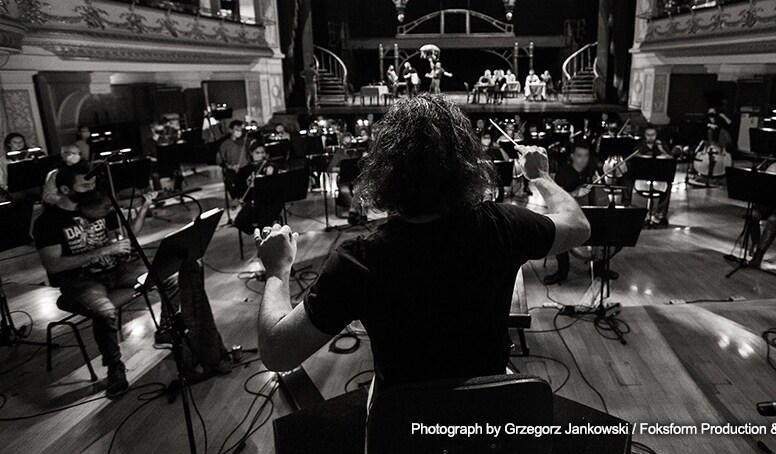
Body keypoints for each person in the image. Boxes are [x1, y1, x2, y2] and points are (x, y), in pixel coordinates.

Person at [254, 94, 591, 404]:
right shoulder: (503, 226)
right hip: (486, 416)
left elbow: (276, 352)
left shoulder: (357, 262)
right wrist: (541, 176)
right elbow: (578, 226)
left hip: (403, 426)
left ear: (384, 171)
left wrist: (277, 271)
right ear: (466, 164)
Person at [32, 163, 169, 398]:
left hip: (116, 270)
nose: (92, 189)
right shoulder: (48, 221)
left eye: (93, 183)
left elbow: (127, 236)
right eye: (85, 185)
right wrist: (103, 251)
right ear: (65, 190)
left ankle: (165, 330)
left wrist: (144, 207)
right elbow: (53, 265)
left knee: (168, 276)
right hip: (81, 281)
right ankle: (115, 368)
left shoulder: (99, 207)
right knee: (105, 312)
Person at [544, 141, 603, 285]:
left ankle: (599, 268)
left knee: (611, 231)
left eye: (586, 156)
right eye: (579, 156)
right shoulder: (563, 173)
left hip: (590, 214)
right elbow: (555, 200)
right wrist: (574, 193)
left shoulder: (590, 172)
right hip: (568, 214)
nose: (583, 160)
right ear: (572, 156)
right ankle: (562, 271)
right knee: (559, 232)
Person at [233, 141, 281, 235]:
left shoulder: (271, 168)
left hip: (269, 203)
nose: (261, 155)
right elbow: (240, 189)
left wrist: (269, 177)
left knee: (264, 222)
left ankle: (263, 236)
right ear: (251, 154)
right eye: (257, 153)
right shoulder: (245, 170)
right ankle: (256, 233)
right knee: (239, 222)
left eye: (263, 152)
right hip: (253, 202)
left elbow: (275, 189)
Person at [633, 125, 671, 226]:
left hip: (658, 173)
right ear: (644, 135)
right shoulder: (640, 144)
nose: (650, 137)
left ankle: (661, 212)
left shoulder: (661, 144)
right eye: (648, 135)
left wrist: (661, 149)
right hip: (643, 174)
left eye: (653, 135)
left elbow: (669, 157)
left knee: (668, 183)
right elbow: (634, 157)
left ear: (656, 135)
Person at [218, 120, 248, 199]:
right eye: (236, 130)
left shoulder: (246, 141)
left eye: (241, 130)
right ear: (231, 130)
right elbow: (219, 159)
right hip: (232, 171)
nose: (239, 132)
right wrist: (231, 167)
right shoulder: (225, 144)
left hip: (246, 169)